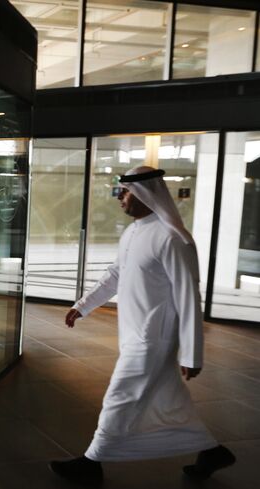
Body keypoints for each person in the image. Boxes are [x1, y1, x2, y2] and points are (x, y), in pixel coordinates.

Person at [49, 165, 236, 485]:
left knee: (119, 396)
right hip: (135, 333)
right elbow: (115, 275)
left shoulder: (173, 239)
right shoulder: (134, 232)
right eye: (120, 191)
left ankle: (91, 462)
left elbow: (188, 297)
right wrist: (82, 307)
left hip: (155, 338)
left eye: (126, 191)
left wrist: (192, 354)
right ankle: (212, 451)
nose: (120, 197)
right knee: (168, 400)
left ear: (147, 194)